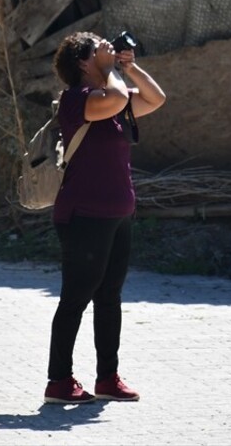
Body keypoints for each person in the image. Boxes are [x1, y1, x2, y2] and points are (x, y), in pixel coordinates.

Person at [44, 31, 166, 405]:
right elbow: (113, 98)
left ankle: (107, 377)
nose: (109, 47)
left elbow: (155, 99)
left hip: (118, 213)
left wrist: (129, 67)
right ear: (84, 62)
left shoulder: (113, 99)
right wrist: (113, 71)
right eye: (100, 47)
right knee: (76, 298)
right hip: (84, 214)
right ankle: (59, 381)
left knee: (109, 297)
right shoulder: (77, 99)